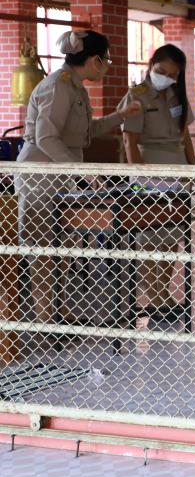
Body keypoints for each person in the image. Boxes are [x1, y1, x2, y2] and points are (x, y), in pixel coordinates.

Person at [16, 31, 142, 323]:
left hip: (61, 176)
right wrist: (82, 171)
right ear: (95, 60)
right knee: (42, 249)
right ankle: (46, 318)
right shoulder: (58, 87)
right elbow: (45, 138)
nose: (107, 66)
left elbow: (85, 132)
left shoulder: (75, 87)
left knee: (61, 247)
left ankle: (58, 311)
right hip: (40, 177)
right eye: (106, 60)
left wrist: (121, 115)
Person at [117, 45, 195, 323]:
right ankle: (156, 298)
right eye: (162, 71)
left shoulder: (177, 95)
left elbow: (184, 136)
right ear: (151, 65)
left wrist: (193, 167)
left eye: (173, 75)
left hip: (177, 174)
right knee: (149, 238)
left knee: (172, 237)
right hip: (148, 174)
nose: (166, 78)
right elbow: (129, 140)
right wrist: (139, 177)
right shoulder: (137, 95)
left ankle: (163, 294)